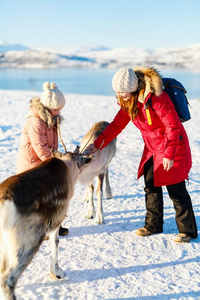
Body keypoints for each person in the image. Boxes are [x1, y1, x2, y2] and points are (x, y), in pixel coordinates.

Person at [83, 67, 198, 243]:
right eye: (118, 91)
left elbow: (173, 127)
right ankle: (153, 225)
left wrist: (169, 153)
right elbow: (115, 126)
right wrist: (96, 145)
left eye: (123, 91)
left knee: (176, 189)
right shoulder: (129, 102)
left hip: (173, 146)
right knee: (150, 185)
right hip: (152, 148)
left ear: (134, 87)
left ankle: (187, 231)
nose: (120, 95)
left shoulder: (157, 99)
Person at [17, 81, 69, 237]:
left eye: (60, 109)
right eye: (56, 109)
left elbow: (51, 145)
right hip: (33, 165)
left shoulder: (51, 119)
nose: (59, 111)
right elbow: (41, 148)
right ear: (47, 107)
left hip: (44, 163)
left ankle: (53, 225)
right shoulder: (35, 122)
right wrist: (54, 165)